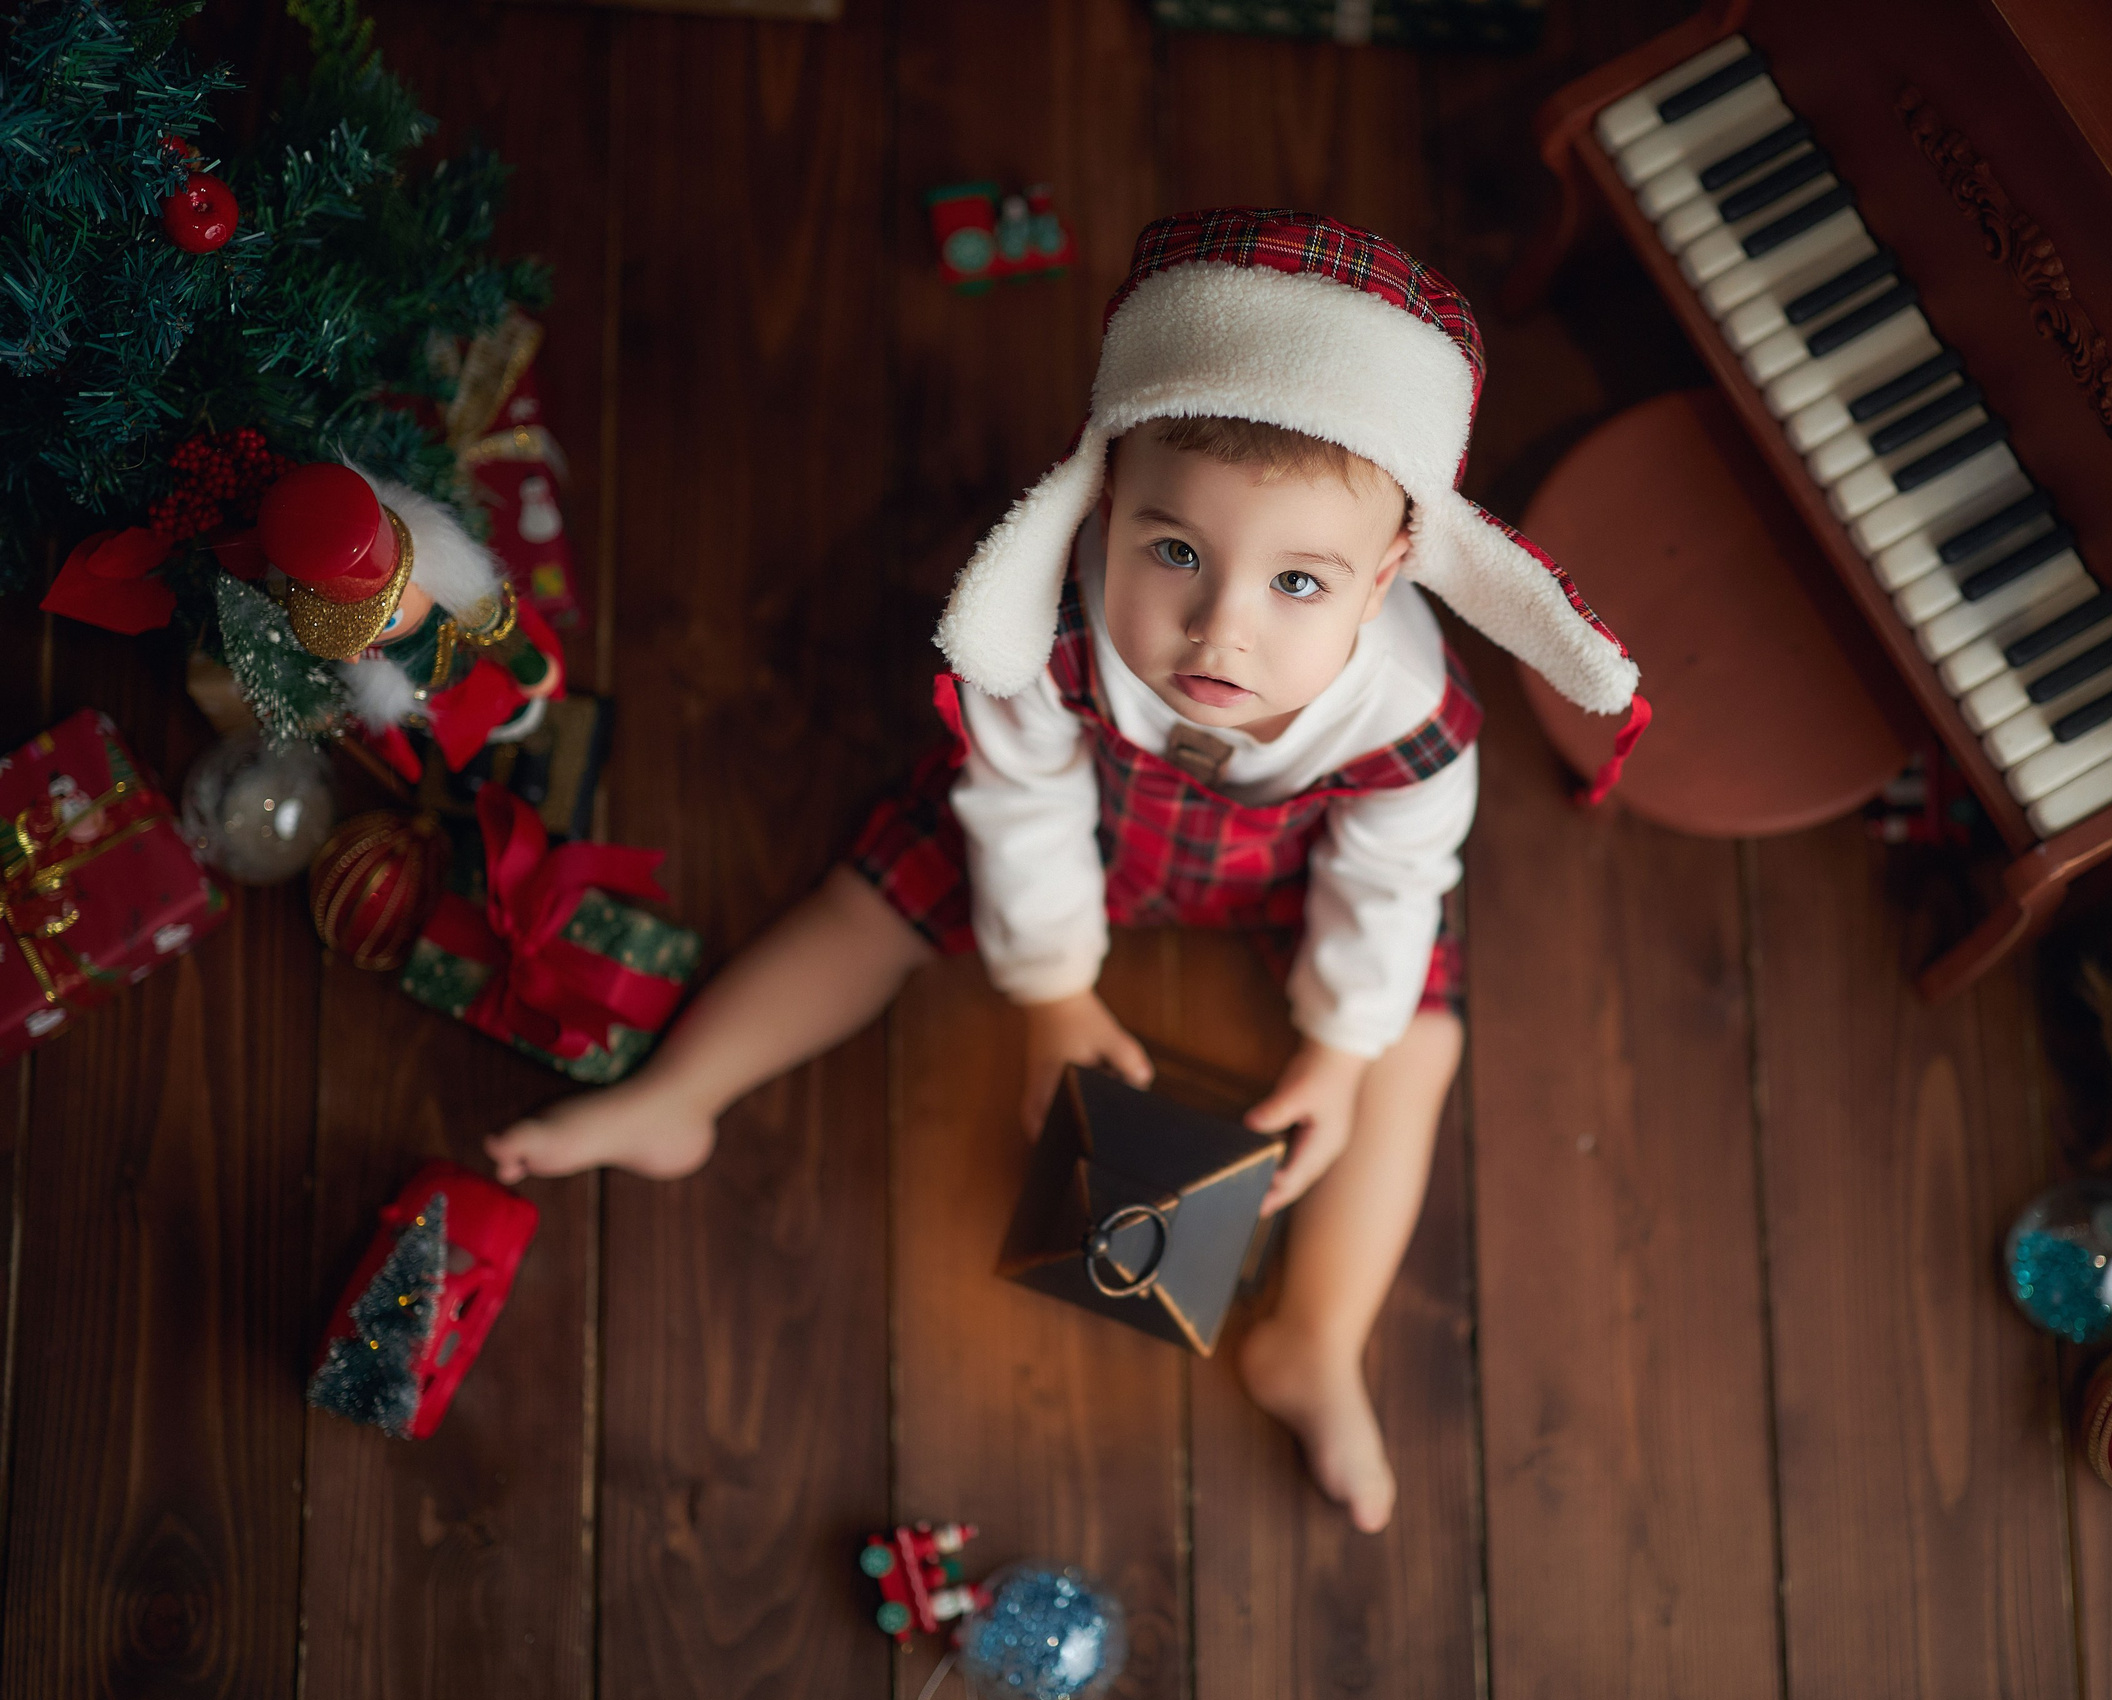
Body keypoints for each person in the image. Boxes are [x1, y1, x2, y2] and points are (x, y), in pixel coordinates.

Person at [485, 209, 1645, 1532]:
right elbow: (1019, 799)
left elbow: (1385, 889)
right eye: (1176, 552)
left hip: (1289, 879)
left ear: (1385, 579)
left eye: (1299, 585)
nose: (1220, 629)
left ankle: (1313, 1338)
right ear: (1102, 501)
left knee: (1413, 1045)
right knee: (874, 896)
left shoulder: (1416, 722)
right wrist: (1051, 991)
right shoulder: (1032, 628)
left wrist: (1338, 1050)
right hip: (1083, 828)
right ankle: (682, 1096)